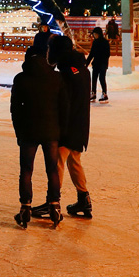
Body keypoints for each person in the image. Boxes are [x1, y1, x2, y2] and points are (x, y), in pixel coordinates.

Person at [33, 36, 92, 220]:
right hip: (81, 124)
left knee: (57, 161)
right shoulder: (82, 69)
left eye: (50, 49)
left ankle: (53, 202)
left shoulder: (65, 73)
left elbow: (61, 102)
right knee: (74, 161)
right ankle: (84, 198)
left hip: (68, 126)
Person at [11, 50, 68, 229]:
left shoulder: (21, 78)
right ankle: (54, 205)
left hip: (28, 132)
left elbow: (15, 109)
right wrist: (61, 132)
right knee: (52, 169)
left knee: (26, 169)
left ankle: (25, 206)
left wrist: (18, 131)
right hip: (51, 132)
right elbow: (64, 107)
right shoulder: (56, 78)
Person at [86, 27, 110, 103]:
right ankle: (93, 93)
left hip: (102, 63)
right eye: (94, 34)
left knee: (101, 78)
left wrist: (102, 60)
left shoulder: (105, 42)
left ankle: (104, 93)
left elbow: (107, 54)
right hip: (96, 63)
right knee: (94, 78)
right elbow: (91, 54)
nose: (95, 35)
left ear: (99, 34)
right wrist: (86, 63)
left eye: (96, 34)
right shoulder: (95, 42)